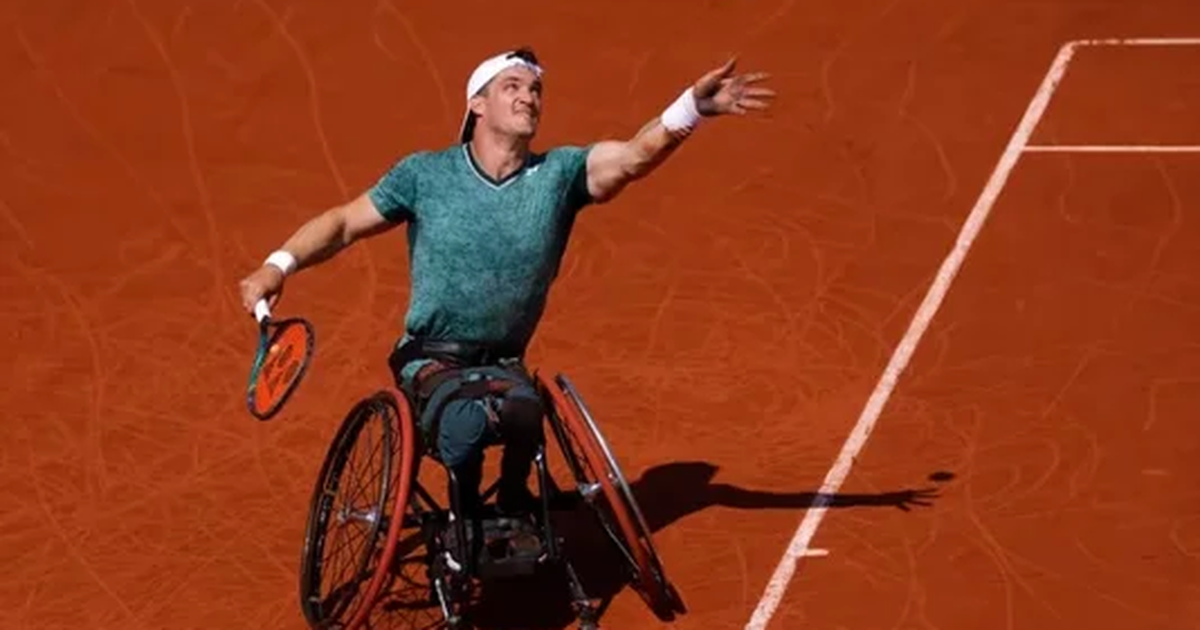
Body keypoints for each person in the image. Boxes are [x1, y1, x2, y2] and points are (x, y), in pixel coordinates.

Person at [238, 47, 774, 523]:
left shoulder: (561, 175)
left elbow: (634, 157)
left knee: (523, 412)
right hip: (430, 357)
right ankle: (466, 515)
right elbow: (343, 223)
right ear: (477, 104)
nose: (529, 97)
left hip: (502, 364)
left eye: (535, 89)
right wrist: (277, 264)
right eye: (512, 87)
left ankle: (514, 502)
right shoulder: (425, 176)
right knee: (465, 425)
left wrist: (691, 110)